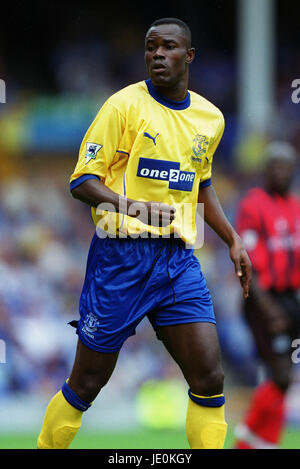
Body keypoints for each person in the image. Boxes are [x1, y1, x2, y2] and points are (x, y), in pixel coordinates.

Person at [37, 17, 251, 450]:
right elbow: (81, 181)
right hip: (120, 258)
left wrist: (232, 238)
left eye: (168, 47)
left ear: (188, 55)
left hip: (177, 261)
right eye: (150, 47)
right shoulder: (123, 106)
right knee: (87, 382)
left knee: (210, 376)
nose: (157, 54)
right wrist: (134, 207)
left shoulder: (210, 119)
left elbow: (201, 185)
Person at [234, 141, 300, 449]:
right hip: (261, 298)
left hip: (290, 299)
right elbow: (247, 264)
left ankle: (263, 442)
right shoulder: (253, 204)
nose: (281, 172)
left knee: (283, 379)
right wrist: (269, 309)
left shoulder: (296, 206)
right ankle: (247, 437)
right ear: (265, 170)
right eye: (275, 166)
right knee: (281, 375)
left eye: (287, 167)